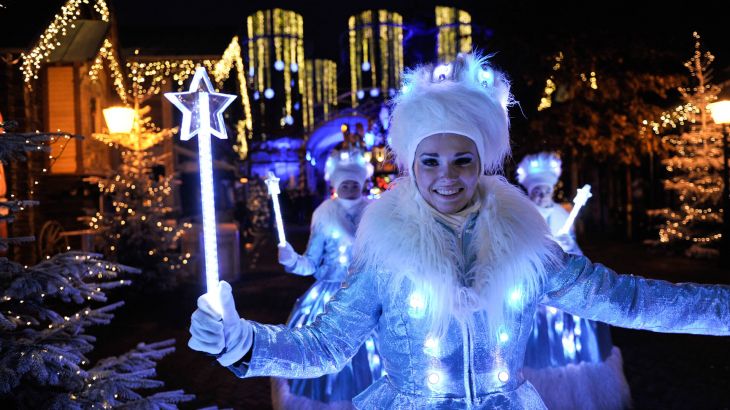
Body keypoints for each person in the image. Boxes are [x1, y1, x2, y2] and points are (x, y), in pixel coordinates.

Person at [188, 53, 730, 409]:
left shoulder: (529, 248)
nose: (446, 176)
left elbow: (632, 300)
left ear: (482, 162)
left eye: (462, 160)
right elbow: (328, 346)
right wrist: (245, 342)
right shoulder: (384, 253)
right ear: (411, 165)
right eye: (431, 161)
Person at [517, 152, 630, 409]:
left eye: (545, 190)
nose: (541, 195)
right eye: (537, 190)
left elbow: (575, 252)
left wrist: (567, 246)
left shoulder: (559, 213)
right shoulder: (523, 217)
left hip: (564, 289)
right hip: (534, 290)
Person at [273, 150, 381, 408]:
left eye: (355, 183)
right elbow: (310, 262)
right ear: (335, 184)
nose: (351, 187)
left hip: (369, 292)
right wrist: (291, 259)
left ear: (363, 182)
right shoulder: (324, 213)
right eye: (345, 183)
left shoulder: (376, 212)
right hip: (329, 295)